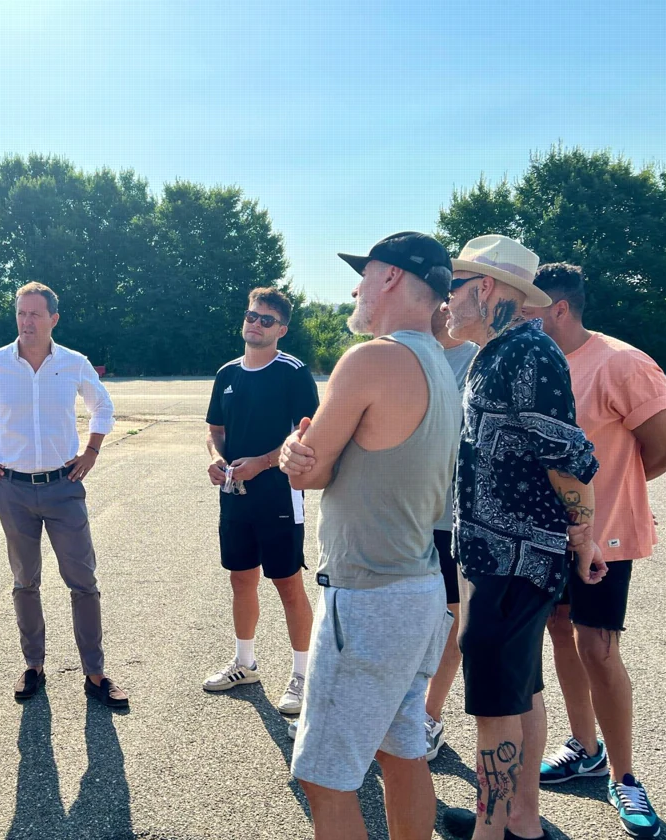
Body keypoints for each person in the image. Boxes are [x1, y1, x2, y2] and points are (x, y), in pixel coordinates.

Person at [279, 232, 460, 840]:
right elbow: (325, 462)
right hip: (419, 590)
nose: (355, 287)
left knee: (325, 778)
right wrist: (306, 456)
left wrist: (292, 454)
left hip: (367, 598)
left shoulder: (373, 359)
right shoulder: (439, 359)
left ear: (389, 279)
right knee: (401, 750)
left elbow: (314, 467)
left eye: (365, 274)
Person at [438, 236, 606, 840]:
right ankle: (522, 821)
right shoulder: (497, 350)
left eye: (453, 288)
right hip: (497, 558)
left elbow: (568, 457)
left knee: (495, 706)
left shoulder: (526, 353)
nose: (445, 303)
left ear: (484, 289)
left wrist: (583, 536)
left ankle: (492, 831)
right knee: (520, 690)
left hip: (510, 564)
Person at [526, 264, 666, 838]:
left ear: (559, 309)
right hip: (550, 533)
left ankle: (625, 776)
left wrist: (617, 502)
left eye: (530, 311)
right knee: (560, 631)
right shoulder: (539, 364)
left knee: (598, 648)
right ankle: (584, 748)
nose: (521, 319)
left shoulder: (621, 362)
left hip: (606, 536)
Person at [0, 282, 126, 707]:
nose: (26, 322)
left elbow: (103, 406)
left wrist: (93, 450)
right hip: (13, 490)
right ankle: (34, 666)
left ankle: (96, 674)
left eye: (35, 314)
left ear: (53, 319)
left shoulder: (73, 363)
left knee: (83, 582)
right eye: (21, 313)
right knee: (25, 581)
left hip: (64, 487)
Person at [202, 287, 318, 718]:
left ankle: (303, 676)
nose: (256, 323)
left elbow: (309, 433)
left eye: (266, 319)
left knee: (287, 584)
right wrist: (217, 459)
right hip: (235, 495)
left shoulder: (292, 372)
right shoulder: (227, 373)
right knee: (240, 578)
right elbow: (214, 429)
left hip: (279, 494)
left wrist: (265, 463)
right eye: (252, 316)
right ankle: (244, 663)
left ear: (281, 330)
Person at [424, 306, 479, 761]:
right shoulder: (400, 353)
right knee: (398, 613)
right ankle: (391, 711)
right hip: (402, 512)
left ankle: (429, 715)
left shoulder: (478, 359)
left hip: (450, 516)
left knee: (449, 617)